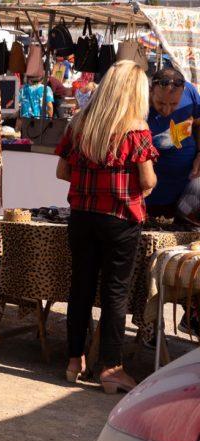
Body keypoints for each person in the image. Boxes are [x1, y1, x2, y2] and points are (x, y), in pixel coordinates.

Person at [55, 60, 158, 394]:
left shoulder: (80, 123)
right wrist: (150, 183)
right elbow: (146, 180)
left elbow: (63, 172)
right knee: (115, 293)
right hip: (119, 218)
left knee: (81, 287)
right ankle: (111, 368)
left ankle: (74, 360)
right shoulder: (136, 129)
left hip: (82, 216)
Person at [146, 66, 200, 217]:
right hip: (150, 197)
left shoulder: (189, 91)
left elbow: (198, 122)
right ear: (151, 90)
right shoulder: (138, 103)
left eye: (174, 104)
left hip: (185, 193)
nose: (167, 110)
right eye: (161, 103)